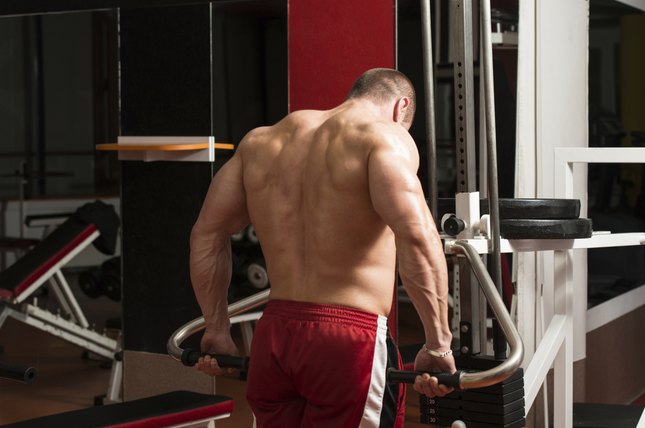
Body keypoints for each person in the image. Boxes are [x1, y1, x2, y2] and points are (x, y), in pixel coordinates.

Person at [189, 68, 455, 427]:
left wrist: (217, 329)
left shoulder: (261, 142)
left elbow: (207, 234)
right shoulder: (383, 138)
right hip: (348, 341)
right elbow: (419, 238)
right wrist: (438, 344)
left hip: (275, 336)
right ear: (400, 107)